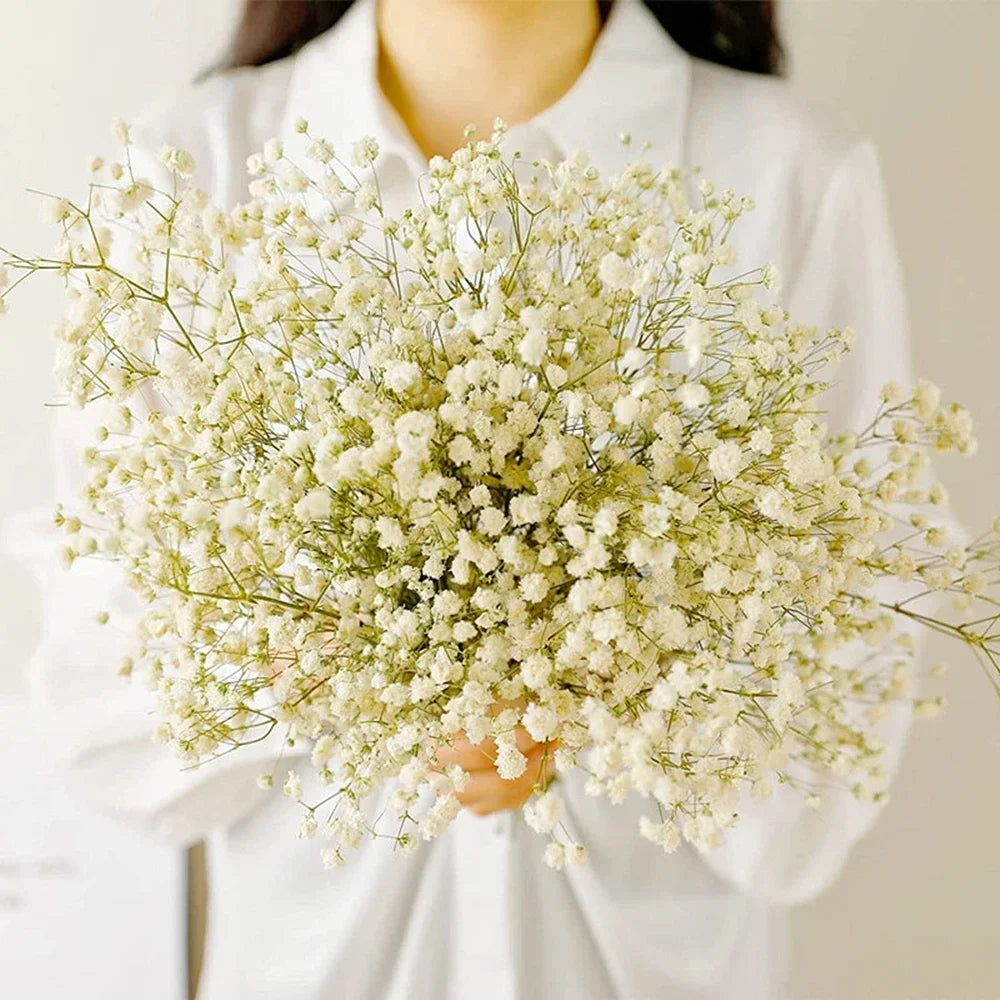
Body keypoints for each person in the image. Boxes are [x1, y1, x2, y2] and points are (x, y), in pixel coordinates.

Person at [30, 1, 919, 997]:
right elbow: (100, 705)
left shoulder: (784, 174)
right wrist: (317, 667)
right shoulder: (191, 171)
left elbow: (847, 707)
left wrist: (610, 699)